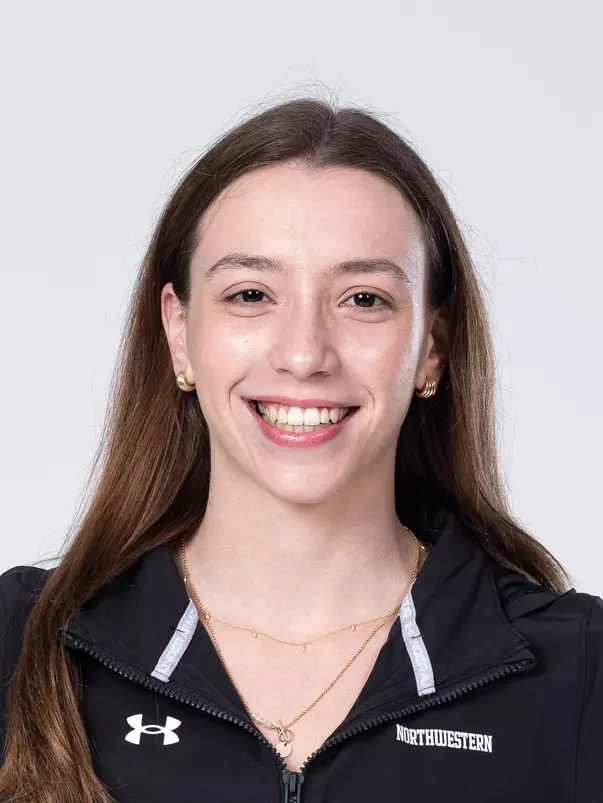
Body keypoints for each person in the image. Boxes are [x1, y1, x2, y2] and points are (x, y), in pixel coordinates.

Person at [0, 97, 601, 803]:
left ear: (431, 348)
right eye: (251, 293)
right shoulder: (18, 642)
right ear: (179, 332)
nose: (304, 351)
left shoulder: (577, 674)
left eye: (363, 298)